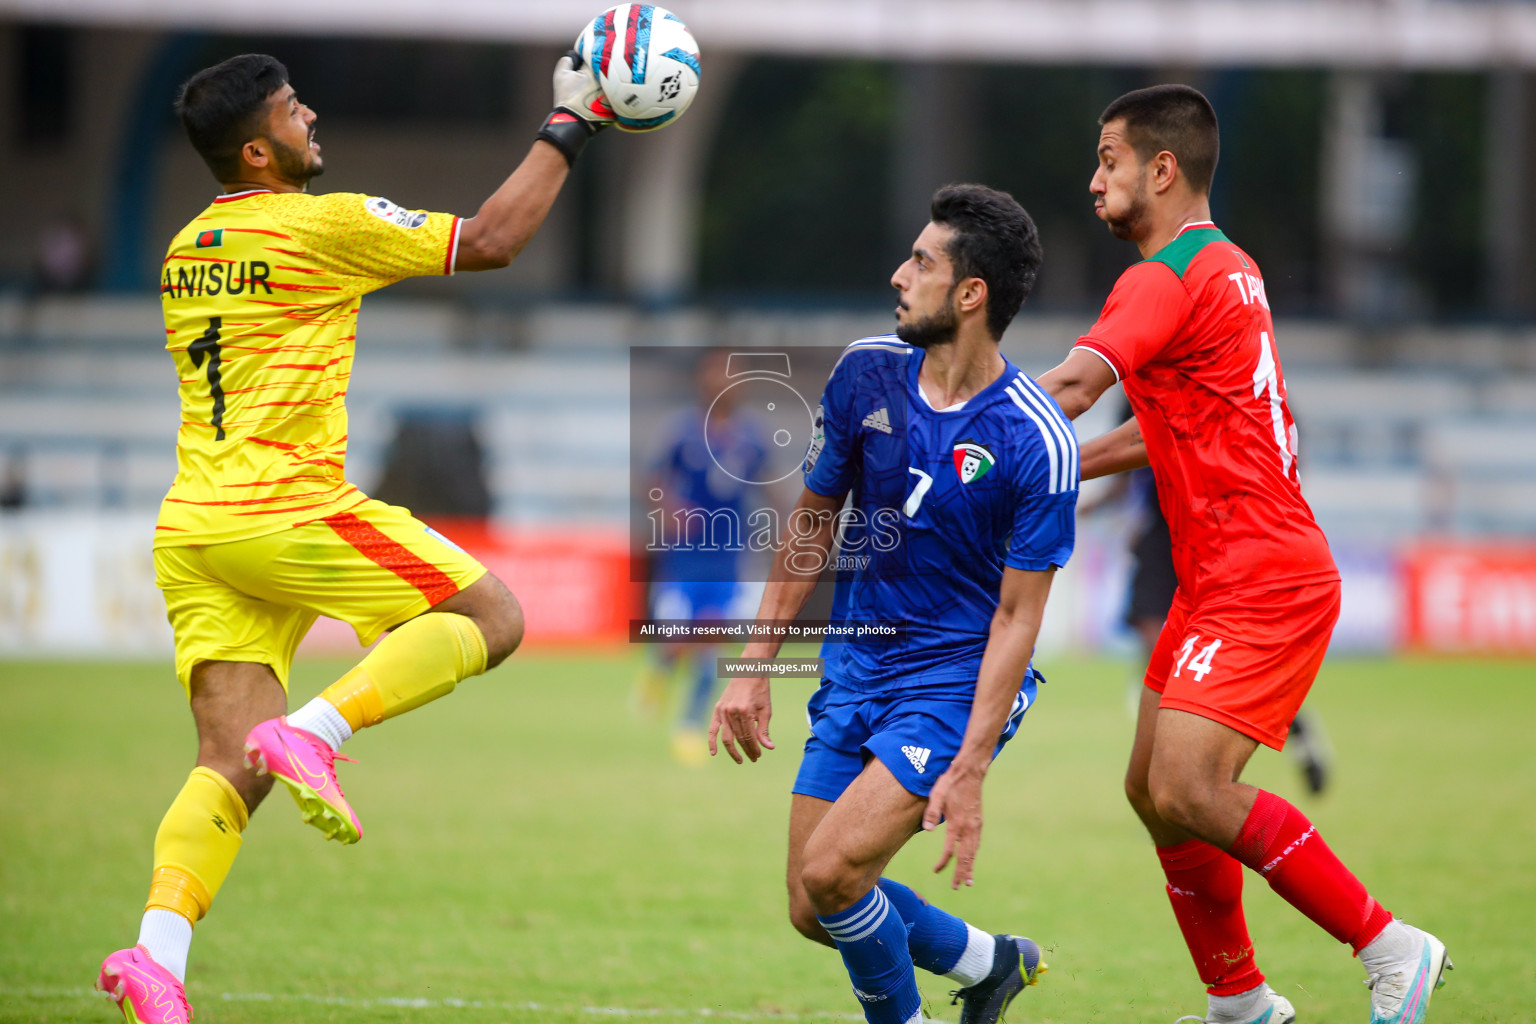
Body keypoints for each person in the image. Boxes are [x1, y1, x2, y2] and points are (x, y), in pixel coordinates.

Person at [96, 50, 621, 1024]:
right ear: (257, 150)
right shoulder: (323, 225)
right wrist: (573, 120)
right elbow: (496, 239)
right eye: (295, 111)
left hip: (198, 527)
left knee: (225, 763)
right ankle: (318, 730)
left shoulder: (185, 249)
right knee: (494, 613)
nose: (313, 117)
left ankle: (155, 956)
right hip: (286, 507)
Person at [1036, 85, 1449, 1024]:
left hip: (1260, 572)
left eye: (1108, 159)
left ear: (1162, 168)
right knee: (1151, 790)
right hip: (1219, 573)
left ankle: (1392, 946)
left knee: (1189, 784)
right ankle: (1241, 1003)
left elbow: (1066, 387)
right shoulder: (1231, 270)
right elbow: (1162, 426)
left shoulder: (1157, 279)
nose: (1094, 178)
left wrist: (962, 445)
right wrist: (1059, 471)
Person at [710, 184, 1072, 1024]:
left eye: (921, 262)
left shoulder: (1034, 438)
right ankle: (990, 964)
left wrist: (972, 766)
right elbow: (812, 522)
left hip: (954, 681)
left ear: (970, 293)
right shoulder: (865, 371)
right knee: (814, 905)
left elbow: (1020, 618)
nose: (897, 275)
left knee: (835, 874)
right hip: (858, 662)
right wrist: (755, 667)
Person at [1084, 404, 1333, 796]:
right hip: (1164, 532)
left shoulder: (1240, 381)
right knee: (1155, 641)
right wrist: (1086, 507)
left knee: (1222, 658)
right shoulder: (1132, 394)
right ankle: (1165, 772)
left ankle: (1196, 766)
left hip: (1222, 532)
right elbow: (1125, 467)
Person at [636, 351, 768, 764]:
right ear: (702, 380)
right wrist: (667, 511)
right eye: (716, 374)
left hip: (728, 558)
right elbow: (651, 482)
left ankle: (690, 724)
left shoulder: (752, 437)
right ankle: (658, 671)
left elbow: (768, 485)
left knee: (709, 640)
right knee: (677, 638)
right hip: (685, 558)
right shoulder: (681, 432)